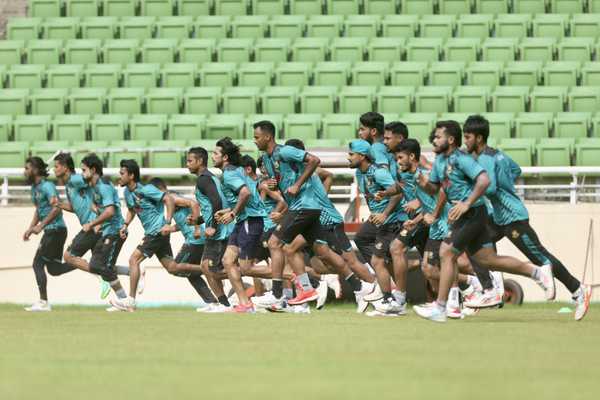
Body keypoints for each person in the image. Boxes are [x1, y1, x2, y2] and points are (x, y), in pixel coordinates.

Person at [413, 120, 555, 323]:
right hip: (464, 215)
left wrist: (467, 203)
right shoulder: (440, 162)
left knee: (446, 252)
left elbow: (484, 180)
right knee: (488, 260)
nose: (434, 140)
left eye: (438, 137)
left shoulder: (462, 159)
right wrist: (422, 182)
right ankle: (537, 273)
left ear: (451, 139)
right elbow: (435, 189)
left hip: (473, 213)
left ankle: (442, 307)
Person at [463, 114, 592, 321]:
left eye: (468, 137)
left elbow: (491, 187)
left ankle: (579, 290)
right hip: (499, 217)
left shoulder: (485, 159)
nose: (465, 141)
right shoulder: (497, 154)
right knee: (473, 240)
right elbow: (516, 169)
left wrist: (469, 190)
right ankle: (489, 289)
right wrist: (505, 184)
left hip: (512, 217)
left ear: (478, 138)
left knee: (541, 258)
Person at [253, 120, 322, 308]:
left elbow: (314, 160)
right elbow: (282, 177)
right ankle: (309, 289)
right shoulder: (267, 159)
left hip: (304, 205)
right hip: (302, 207)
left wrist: (297, 185)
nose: (254, 141)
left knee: (274, 243)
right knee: (320, 252)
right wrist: (274, 183)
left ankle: (277, 294)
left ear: (268, 136)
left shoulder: (285, 151)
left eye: (257, 137)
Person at [148, 178, 229, 313]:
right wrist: (171, 229)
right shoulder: (169, 200)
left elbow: (194, 204)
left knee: (174, 267)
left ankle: (211, 271)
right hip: (194, 239)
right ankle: (212, 301)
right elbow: (183, 222)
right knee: (191, 274)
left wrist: (197, 228)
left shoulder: (172, 198)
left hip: (195, 240)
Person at [53, 153, 126, 300]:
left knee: (69, 256)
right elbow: (75, 207)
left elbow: (93, 181)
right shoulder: (69, 185)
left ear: (65, 168)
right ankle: (126, 292)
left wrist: (95, 220)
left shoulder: (75, 179)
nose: (54, 169)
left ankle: (101, 278)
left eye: (56, 166)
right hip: (94, 225)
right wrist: (59, 204)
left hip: (94, 225)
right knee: (101, 266)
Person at [348, 139, 407, 316]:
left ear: (362, 156)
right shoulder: (359, 173)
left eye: (351, 154)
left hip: (392, 220)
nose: (348, 157)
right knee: (362, 239)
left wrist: (384, 214)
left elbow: (398, 193)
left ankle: (389, 297)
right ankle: (387, 289)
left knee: (377, 260)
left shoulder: (379, 173)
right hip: (380, 220)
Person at [110, 159, 175, 312]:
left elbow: (169, 199)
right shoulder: (127, 192)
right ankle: (208, 271)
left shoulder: (146, 189)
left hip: (156, 232)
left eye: (122, 173)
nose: (119, 176)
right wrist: (125, 225)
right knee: (173, 268)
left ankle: (130, 301)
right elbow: (132, 210)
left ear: (131, 175)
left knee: (133, 260)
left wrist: (168, 222)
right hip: (156, 233)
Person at [213, 138, 267, 313]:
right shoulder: (237, 170)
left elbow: (245, 193)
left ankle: (293, 276)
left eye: (215, 153)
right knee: (228, 261)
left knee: (246, 267)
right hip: (244, 220)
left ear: (225, 157)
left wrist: (232, 213)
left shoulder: (229, 174)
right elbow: (245, 196)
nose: (212, 156)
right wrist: (228, 210)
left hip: (250, 220)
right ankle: (245, 304)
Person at [80, 154, 130, 311]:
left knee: (105, 267)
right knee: (95, 266)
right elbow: (98, 208)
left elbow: (110, 211)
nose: (82, 173)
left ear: (93, 170)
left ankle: (124, 301)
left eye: (84, 170)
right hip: (107, 231)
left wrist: (92, 223)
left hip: (116, 231)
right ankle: (134, 272)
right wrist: (95, 213)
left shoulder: (104, 187)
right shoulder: (93, 188)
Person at [22, 157, 73, 312]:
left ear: (36, 169)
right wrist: (31, 228)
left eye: (27, 168)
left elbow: (57, 208)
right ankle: (87, 265)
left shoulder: (47, 186)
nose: (24, 171)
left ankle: (43, 302)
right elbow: (39, 210)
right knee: (54, 269)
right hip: (53, 231)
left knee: (37, 264)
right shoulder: (34, 188)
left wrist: (41, 226)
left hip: (55, 230)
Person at [186, 146, 233, 309]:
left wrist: (212, 226)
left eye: (190, 161)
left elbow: (216, 201)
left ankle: (250, 275)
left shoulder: (204, 179)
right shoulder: (209, 178)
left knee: (210, 267)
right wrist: (198, 220)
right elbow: (212, 205)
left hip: (220, 230)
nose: (187, 164)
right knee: (207, 267)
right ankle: (223, 303)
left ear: (200, 161)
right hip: (220, 227)